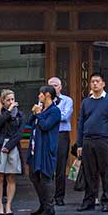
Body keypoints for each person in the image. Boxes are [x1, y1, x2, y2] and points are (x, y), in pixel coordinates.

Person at [76, 73, 108, 212]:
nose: (95, 84)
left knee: (106, 172)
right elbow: (81, 123)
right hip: (88, 140)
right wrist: (79, 144)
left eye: (97, 81)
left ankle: (107, 201)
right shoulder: (86, 102)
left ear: (103, 84)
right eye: (92, 81)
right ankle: (89, 200)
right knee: (89, 172)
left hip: (104, 141)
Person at [28, 85, 61, 215]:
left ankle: (49, 207)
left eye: (40, 94)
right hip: (35, 148)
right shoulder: (41, 109)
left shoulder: (54, 111)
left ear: (47, 95)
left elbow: (46, 126)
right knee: (34, 176)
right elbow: (30, 123)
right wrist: (34, 113)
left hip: (46, 148)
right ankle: (42, 204)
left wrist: (39, 114)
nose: (38, 96)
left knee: (46, 176)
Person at [0, 89, 23, 215]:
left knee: (11, 177)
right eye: (8, 100)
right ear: (3, 101)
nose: (11, 102)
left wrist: (9, 146)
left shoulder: (19, 114)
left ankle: (8, 205)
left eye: (13, 99)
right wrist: (8, 111)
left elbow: (20, 132)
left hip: (13, 146)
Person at [48, 77, 72, 206]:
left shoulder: (67, 100)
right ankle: (48, 196)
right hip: (47, 135)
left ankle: (59, 196)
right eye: (50, 86)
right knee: (48, 167)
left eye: (56, 85)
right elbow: (40, 116)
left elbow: (65, 116)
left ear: (61, 87)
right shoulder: (42, 101)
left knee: (60, 167)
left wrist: (50, 114)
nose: (53, 88)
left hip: (62, 135)